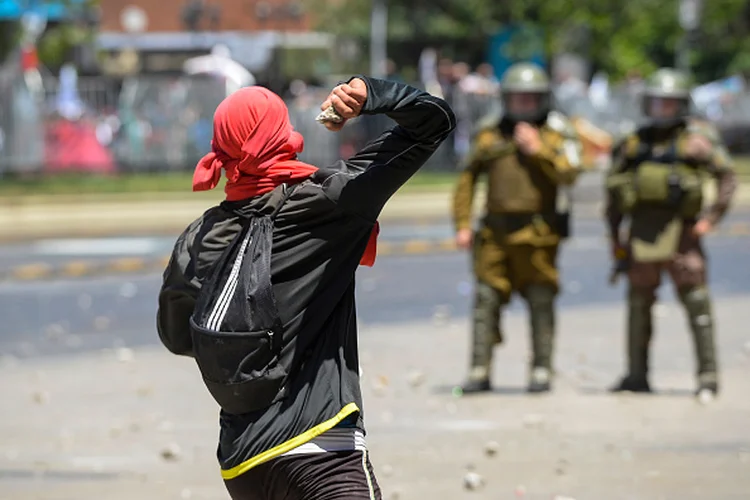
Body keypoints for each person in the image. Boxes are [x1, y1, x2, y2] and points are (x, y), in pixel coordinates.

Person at [156, 77, 455, 499]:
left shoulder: (198, 237)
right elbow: (435, 122)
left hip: (243, 464)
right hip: (322, 452)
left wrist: (256, 350)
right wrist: (371, 95)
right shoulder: (329, 201)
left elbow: (177, 335)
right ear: (284, 135)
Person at [452, 62, 583, 394]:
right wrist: (463, 224)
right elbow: (467, 178)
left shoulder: (557, 132)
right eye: (517, 98)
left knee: (541, 299)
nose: (523, 104)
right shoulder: (490, 132)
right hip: (494, 232)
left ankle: (541, 370)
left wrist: (538, 151)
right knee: (486, 299)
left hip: (538, 233)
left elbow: (570, 173)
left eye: (530, 98)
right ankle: (479, 370)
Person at [605, 68, 737, 399]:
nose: (662, 110)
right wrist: (615, 237)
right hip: (641, 234)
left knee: (696, 303)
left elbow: (726, 176)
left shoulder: (696, 141)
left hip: (683, 235)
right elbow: (614, 191)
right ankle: (637, 376)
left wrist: (711, 219)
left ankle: (707, 377)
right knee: (638, 306)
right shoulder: (634, 142)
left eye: (669, 104)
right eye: (656, 103)